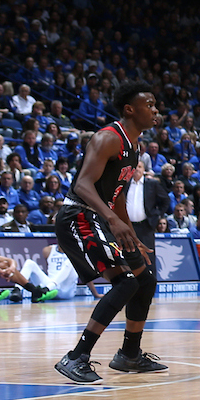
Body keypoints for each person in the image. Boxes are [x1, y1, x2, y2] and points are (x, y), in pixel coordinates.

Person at [52, 81, 167, 383]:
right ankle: (76, 356)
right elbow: (82, 185)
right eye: (149, 105)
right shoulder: (108, 138)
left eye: (156, 105)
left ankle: (129, 355)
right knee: (126, 283)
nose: (155, 110)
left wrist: (130, 234)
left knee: (145, 280)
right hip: (78, 216)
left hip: (100, 218)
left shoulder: (134, 145)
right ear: (130, 109)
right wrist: (112, 222)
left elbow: (116, 198)